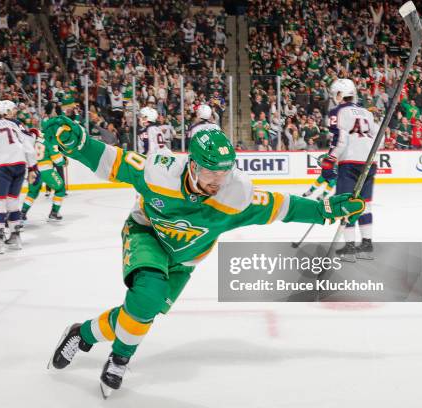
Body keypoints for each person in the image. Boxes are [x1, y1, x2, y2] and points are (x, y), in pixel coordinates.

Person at [41, 115, 366, 397]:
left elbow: (284, 206)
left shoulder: (236, 194)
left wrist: (324, 210)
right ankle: (120, 358)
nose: (218, 181)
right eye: (211, 173)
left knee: (140, 313)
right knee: (148, 297)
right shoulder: (159, 172)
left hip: (186, 260)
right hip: (147, 234)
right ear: (192, 164)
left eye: (224, 174)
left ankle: (81, 334)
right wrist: (79, 143)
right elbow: (114, 161)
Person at [323, 78, 377, 261]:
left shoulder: (337, 111)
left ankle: (350, 249)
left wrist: (330, 159)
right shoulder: (367, 113)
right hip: (369, 163)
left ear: (339, 94)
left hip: (349, 163)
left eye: (334, 95)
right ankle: (367, 246)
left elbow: (340, 140)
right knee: (365, 204)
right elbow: (380, 139)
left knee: (346, 203)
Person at [0, 100, 38, 254]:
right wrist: (33, 168)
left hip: (1, 166)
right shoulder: (13, 124)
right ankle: (15, 237)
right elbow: (29, 147)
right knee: (13, 203)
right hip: (20, 165)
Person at [21, 128, 67, 222]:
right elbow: (57, 160)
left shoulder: (27, 143)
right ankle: (54, 212)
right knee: (61, 188)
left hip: (32, 171)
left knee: (32, 193)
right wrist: (64, 161)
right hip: (46, 171)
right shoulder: (46, 141)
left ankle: (22, 213)